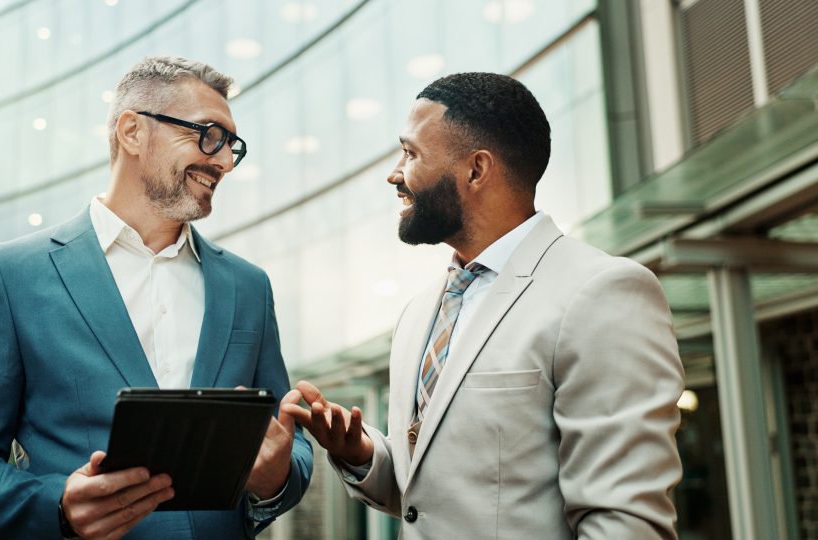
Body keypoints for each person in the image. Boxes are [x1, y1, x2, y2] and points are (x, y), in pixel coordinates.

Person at [0, 56, 313, 539]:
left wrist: (276, 477)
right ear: (132, 132)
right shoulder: (11, 275)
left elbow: (284, 445)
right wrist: (57, 505)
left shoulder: (248, 286)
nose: (225, 161)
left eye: (233, 146)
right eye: (209, 136)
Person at [283, 72, 684, 539]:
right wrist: (362, 456)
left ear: (475, 170)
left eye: (411, 153)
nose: (394, 173)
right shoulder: (419, 313)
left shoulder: (603, 292)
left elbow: (625, 524)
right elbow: (434, 499)